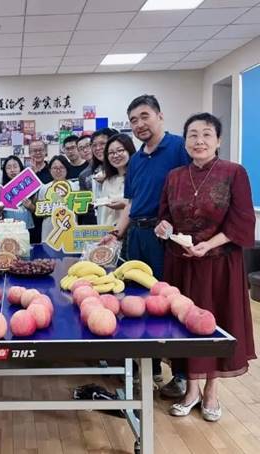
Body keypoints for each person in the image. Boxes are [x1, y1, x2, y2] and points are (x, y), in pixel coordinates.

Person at [155, 113, 256, 422]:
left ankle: (211, 391)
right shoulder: (174, 176)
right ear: (185, 141)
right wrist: (163, 227)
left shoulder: (234, 172)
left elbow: (242, 221)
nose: (199, 141)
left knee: (216, 323)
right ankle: (191, 390)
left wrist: (209, 245)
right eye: (193, 135)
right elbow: (164, 215)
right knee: (186, 324)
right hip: (182, 263)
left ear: (218, 140)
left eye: (207, 134)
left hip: (219, 264)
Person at [105, 94, 191, 395]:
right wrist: (117, 233)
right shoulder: (138, 160)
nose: (139, 124)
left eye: (145, 116)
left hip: (164, 237)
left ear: (160, 116)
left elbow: (192, 190)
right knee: (137, 302)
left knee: (170, 301)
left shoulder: (179, 148)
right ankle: (149, 367)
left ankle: (181, 374)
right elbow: (131, 203)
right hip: (136, 238)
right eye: (133, 120)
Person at [79, 128, 118, 225]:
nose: (98, 148)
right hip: (101, 222)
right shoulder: (92, 173)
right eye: (94, 145)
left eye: (102, 144)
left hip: (121, 221)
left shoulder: (123, 168)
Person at [97, 133, 136, 227]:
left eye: (120, 150)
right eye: (111, 153)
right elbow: (103, 215)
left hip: (131, 230)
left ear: (129, 151)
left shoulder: (137, 178)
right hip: (109, 231)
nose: (115, 155)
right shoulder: (108, 181)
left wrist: (125, 204)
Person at [0, 156, 35, 234]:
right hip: (8, 228)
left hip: (27, 228)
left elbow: (36, 210)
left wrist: (30, 206)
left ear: (20, 168)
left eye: (15, 167)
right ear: (5, 171)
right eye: (8, 168)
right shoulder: (1, 190)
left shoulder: (30, 185)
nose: (12, 170)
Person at [38, 155, 71, 242]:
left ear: (67, 169)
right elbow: (40, 211)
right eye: (55, 168)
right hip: (49, 232)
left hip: (70, 229)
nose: (58, 171)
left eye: (61, 167)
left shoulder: (75, 187)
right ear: (50, 170)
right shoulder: (44, 188)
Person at [28, 140, 52, 243]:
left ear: (45, 152)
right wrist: (32, 174)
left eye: (40, 150)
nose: (38, 153)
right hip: (30, 219)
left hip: (49, 217)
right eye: (34, 151)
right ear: (29, 153)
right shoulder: (25, 173)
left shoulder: (52, 170)